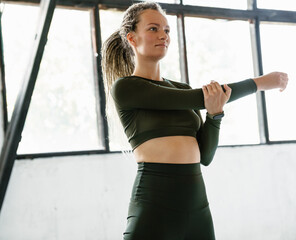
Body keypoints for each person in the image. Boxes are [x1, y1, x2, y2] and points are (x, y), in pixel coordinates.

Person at [101, 2, 288, 240]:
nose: (163, 35)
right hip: (154, 206)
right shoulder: (126, 87)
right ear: (132, 38)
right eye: (153, 29)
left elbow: (206, 156)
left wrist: (215, 115)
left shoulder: (180, 88)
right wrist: (260, 83)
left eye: (167, 30)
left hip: (197, 207)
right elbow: (200, 98)